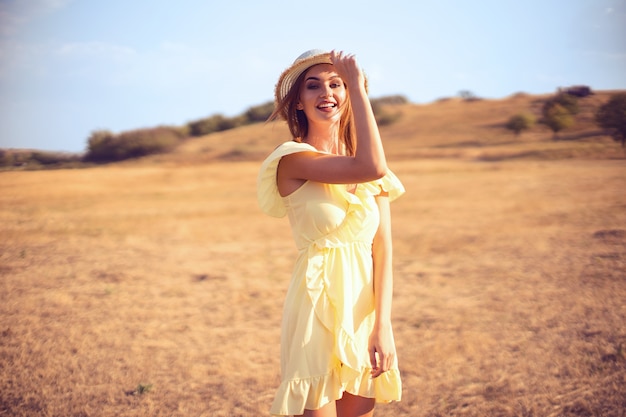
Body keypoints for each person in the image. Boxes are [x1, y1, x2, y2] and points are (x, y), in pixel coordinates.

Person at [257, 49, 404, 417]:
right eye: (313, 85)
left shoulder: (372, 170)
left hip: (362, 310)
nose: (327, 92)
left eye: (336, 84)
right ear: (299, 103)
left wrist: (382, 325)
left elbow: (382, 249)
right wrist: (356, 84)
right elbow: (369, 165)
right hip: (315, 303)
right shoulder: (292, 158)